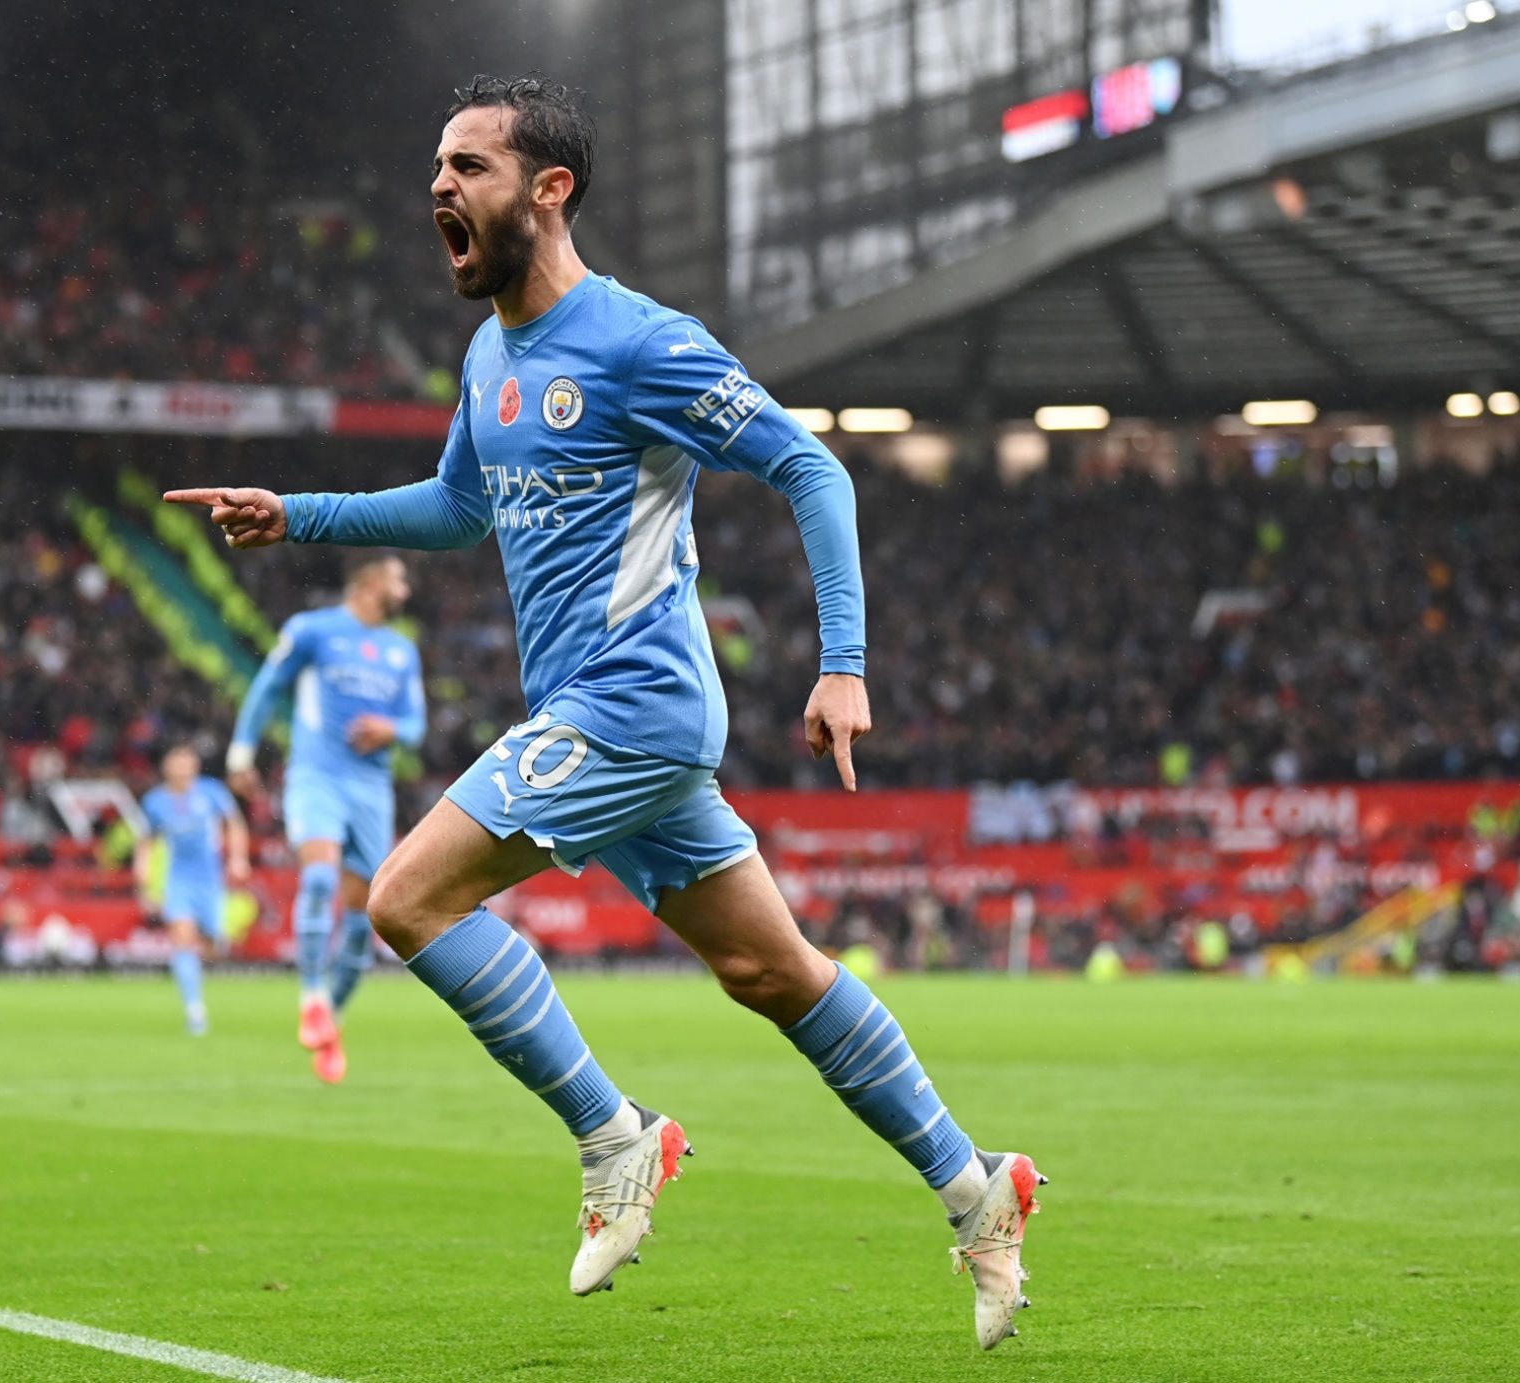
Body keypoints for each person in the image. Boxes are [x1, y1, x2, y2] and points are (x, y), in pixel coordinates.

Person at [167, 74, 1042, 1349]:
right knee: (769, 971)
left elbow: (808, 465)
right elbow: (457, 510)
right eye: (437, 167)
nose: (439, 188)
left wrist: (840, 660)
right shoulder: (489, 353)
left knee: (403, 899)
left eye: (468, 167)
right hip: (611, 721)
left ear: (548, 189)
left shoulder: (640, 342)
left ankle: (614, 1135)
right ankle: (978, 1191)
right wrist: (296, 513)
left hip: (631, 703)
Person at [227, 552, 425, 1085]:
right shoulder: (313, 631)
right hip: (316, 776)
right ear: (368, 581)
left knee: (366, 923)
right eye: (398, 577)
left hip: (372, 791)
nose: (405, 587)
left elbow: (416, 723)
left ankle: (329, 1020)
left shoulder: (401, 650)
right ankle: (312, 996)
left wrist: (391, 729)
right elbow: (268, 687)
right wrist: (242, 753)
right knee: (318, 877)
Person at [136, 746, 250, 1035]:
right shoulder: (155, 802)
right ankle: (195, 1010)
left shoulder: (211, 792)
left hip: (210, 881)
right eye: (177, 764)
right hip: (179, 881)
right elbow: (146, 841)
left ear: (196, 766)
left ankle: (205, 965)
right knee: (183, 939)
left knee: (215, 945)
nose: (183, 769)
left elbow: (235, 823)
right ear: (167, 767)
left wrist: (238, 858)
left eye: (188, 763)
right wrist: (144, 878)